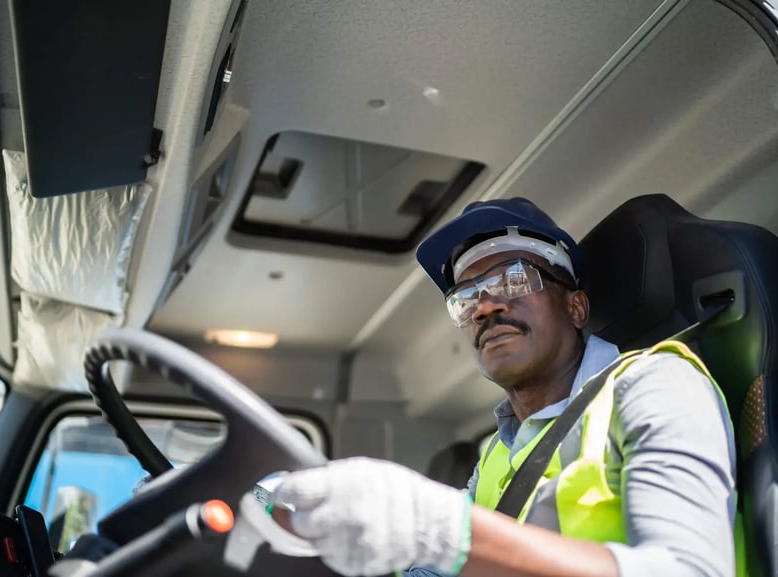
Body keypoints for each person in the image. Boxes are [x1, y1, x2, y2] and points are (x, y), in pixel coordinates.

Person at [274, 197, 736, 577]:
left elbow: (689, 570)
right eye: (467, 296)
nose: (484, 307)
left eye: (513, 280)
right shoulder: (499, 450)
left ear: (575, 308)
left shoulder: (656, 384)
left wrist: (437, 526)